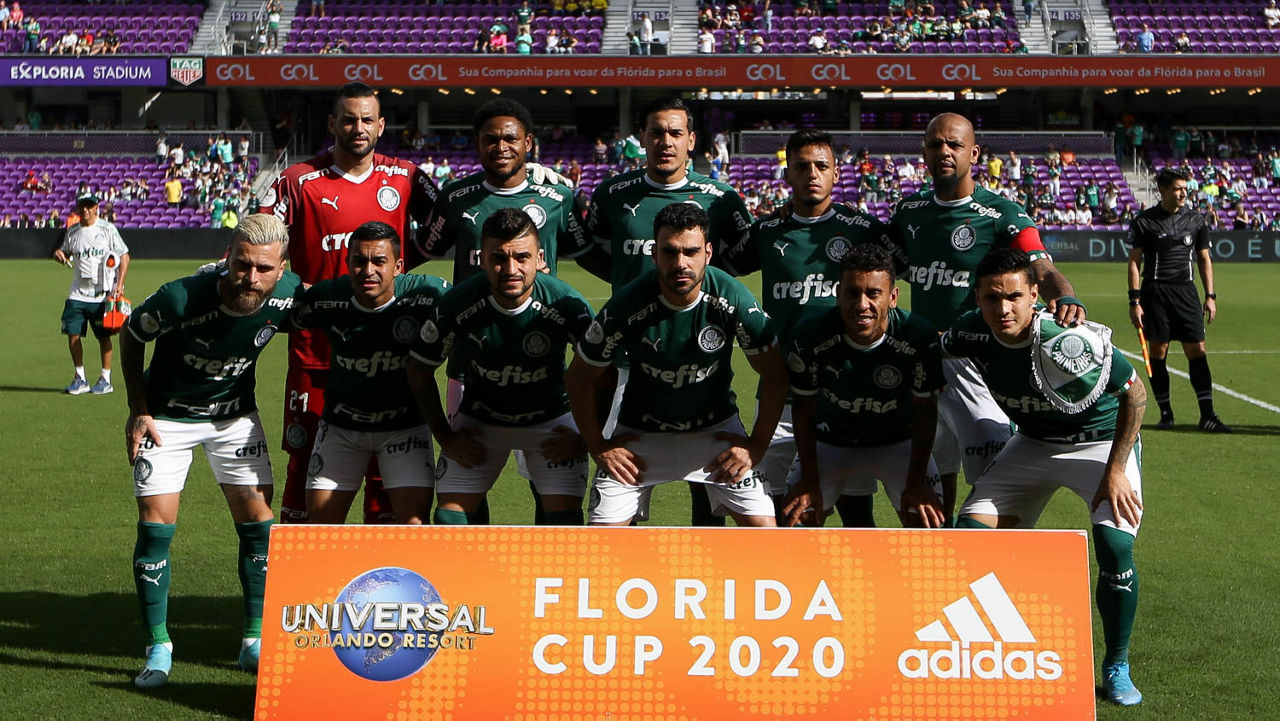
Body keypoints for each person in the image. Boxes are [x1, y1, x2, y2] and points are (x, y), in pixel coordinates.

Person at [947, 248, 1147, 708]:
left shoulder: (1066, 337)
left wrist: (1117, 469)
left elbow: (1135, 394)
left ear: (1034, 295)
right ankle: (994, 647)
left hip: (1099, 444)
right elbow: (931, 349)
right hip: (1033, 443)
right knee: (968, 537)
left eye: (1014, 297)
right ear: (977, 299)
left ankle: (1116, 663)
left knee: (1114, 544)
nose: (1003, 309)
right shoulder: (969, 332)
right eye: (991, 298)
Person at [121, 215, 303, 687]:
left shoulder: (290, 294)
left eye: (264, 268)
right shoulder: (181, 297)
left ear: (281, 268)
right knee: (155, 529)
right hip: (167, 420)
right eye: (242, 264)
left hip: (234, 419)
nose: (251, 278)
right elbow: (131, 333)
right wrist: (139, 410)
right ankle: (158, 646)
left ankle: (253, 642)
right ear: (228, 257)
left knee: (260, 526)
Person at [887, 112, 1085, 519]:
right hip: (924, 360)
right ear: (924, 153)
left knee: (994, 483)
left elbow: (1041, 267)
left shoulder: (1002, 213)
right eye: (935, 144)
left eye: (954, 144)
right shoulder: (909, 211)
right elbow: (874, 258)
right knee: (930, 484)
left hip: (976, 363)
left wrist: (1065, 296)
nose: (944, 151)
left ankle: (996, 554)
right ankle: (940, 553)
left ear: (974, 153)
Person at [259, 81, 439, 524]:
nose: (358, 128)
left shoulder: (405, 176)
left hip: (389, 350)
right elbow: (261, 241)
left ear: (381, 125)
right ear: (332, 123)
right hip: (316, 353)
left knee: (386, 475)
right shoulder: (297, 181)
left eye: (366, 120)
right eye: (348, 119)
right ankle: (302, 564)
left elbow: (450, 221)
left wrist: (406, 264)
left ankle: (383, 567)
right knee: (305, 463)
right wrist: (293, 290)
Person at [584, 96, 753, 527]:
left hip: (699, 359)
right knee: (624, 473)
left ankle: (706, 558)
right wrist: (628, 287)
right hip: (625, 362)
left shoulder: (722, 197)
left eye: (676, 133)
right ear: (642, 138)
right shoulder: (611, 195)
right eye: (656, 132)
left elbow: (741, 257)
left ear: (691, 140)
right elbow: (589, 251)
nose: (666, 141)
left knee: (708, 478)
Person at [566, 203, 787, 528]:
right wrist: (598, 446)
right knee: (602, 539)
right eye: (670, 252)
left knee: (765, 532)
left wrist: (755, 446)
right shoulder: (628, 304)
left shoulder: (733, 298)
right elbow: (578, 376)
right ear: (654, 254)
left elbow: (776, 375)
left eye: (691, 251)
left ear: (708, 253)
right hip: (640, 436)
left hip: (716, 431)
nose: (680, 263)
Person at [722, 128, 894, 524]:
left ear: (836, 173)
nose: (811, 174)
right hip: (782, 394)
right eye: (801, 167)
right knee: (778, 512)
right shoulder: (767, 232)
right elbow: (717, 269)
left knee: (856, 512)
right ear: (787, 175)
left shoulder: (864, 230)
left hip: (847, 395)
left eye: (821, 166)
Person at [408, 209, 594, 525]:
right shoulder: (458, 303)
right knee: (448, 522)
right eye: (498, 258)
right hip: (480, 423)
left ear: (539, 259)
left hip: (551, 424)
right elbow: (418, 367)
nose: (511, 269)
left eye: (522, 257)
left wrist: (584, 437)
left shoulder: (566, 304)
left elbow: (603, 370)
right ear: (481, 260)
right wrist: (445, 437)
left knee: (564, 529)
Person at [291, 222, 448, 525]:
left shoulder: (427, 295)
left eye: (379, 261)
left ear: (398, 266)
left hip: (404, 427)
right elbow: (278, 307)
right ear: (347, 262)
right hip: (341, 428)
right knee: (321, 528)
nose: (368, 270)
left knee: (413, 528)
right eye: (359, 261)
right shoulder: (327, 297)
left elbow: (472, 300)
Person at [782, 243, 945, 529]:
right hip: (830, 442)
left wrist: (917, 481)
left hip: (899, 442)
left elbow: (925, 411)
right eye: (852, 293)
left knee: (926, 520)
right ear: (838, 294)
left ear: (892, 297)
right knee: (798, 516)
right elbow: (804, 407)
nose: (861, 304)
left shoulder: (918, 336)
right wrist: (809, 479)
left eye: (873, 293)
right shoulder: (810, 334)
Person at [416, 98, 595, 285]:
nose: (501, 148)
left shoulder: (559, 198)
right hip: (472, 305)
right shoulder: (454, 198)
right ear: (478, 143)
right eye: (491, 140)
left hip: (538, 305)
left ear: (528, 142)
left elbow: (588, 256)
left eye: (511, 139)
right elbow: (421, 251)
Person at [1127, 168, 1230, 432]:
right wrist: (1134, 301)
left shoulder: (1196, 220)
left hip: (1186, 293)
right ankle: (1166, 413)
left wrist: (1210, 296)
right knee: (1158, 352)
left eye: (1185, 188)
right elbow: (1135, 262)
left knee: (1197, 351)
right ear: (1162, 191)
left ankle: (1208, 415)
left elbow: (1204, 258)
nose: (1183, 193)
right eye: (1177, 188)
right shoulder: (1144, 221)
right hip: (1155, 293)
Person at [54, 194, 129, 395]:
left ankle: (106, 379)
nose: (85, 209)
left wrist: (119, 285)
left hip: (101, 294)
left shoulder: (107, 229)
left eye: (89, 206)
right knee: (72, 334)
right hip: (77, 293)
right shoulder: (73, 231)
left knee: (103, 337)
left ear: (96, 207)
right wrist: (59, 254)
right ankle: (80, 378)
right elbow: (65, 251)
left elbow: (124, 256)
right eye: (82, 206)